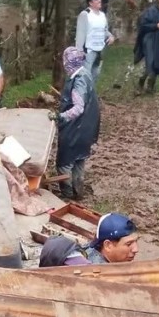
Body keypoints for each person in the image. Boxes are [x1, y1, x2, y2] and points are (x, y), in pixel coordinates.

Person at [54, 47, 101, 201]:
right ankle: (78, 192)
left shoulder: (78, 80)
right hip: (87, 127)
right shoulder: (85, 73)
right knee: (79, 159)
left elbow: (78, 108)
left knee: (64, 163)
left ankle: (67, 195)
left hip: (75, 128)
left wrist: (60, 117)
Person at [75, 0, 115, 82]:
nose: (99, 0)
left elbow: (104, 30)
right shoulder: (85, 14)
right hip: (88, 50)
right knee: (85, 76)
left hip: (100, 50)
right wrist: (79, 51)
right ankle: (81, 91)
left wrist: (111, 36)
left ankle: (91, 91)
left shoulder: (102, 15)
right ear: (90, 3)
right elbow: (80, 33)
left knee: (95, 75)